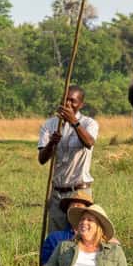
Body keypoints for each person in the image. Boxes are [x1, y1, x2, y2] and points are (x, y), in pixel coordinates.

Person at [38, 86, 99, 232]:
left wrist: (73, 122)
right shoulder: (50, 125)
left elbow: (89, 142)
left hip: (79, 191)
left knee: (79, 236)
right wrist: (52, 143)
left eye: (73, 101)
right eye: (66, 99)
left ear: (81, 104)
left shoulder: (88, 123)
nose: (68, 104)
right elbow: (41, 159)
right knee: (55, 238)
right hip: (57, 192)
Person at [40, 204, 129, 266]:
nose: (84, 222)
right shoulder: (63, 246)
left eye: (89, 220)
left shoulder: (115, 251)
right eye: (82, 219)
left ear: (99, 226)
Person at [39, 189, 94, 266]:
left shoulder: (99, 239)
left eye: (79, 206)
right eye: (71, 206)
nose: (75, 209)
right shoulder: (54, 239)